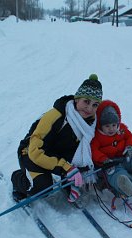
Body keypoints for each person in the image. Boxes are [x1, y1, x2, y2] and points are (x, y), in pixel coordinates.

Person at [11, 74, 103, 202]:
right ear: (77, 99)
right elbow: (35, 151)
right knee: (43, 188)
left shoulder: (89, 124)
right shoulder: (56, 116)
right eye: (86, 101)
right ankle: (19, 179)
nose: (89, 108)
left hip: (55, 155)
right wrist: (66, 168)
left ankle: (68, 182)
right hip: (31, 153)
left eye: (95, 105)